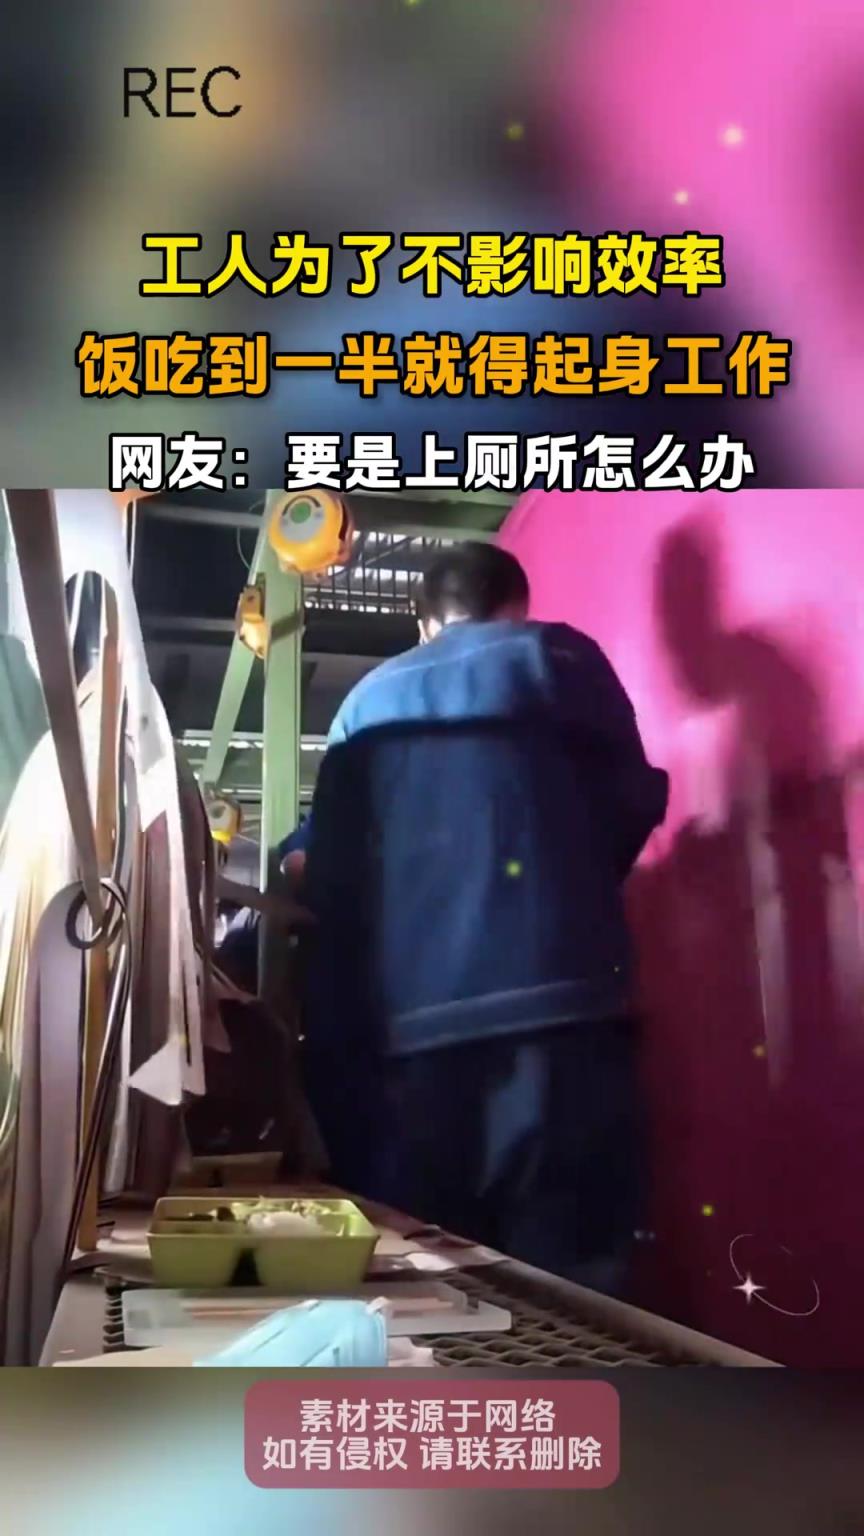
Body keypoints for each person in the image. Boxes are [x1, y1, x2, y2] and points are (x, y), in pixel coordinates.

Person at [301, 542, 668, 1294]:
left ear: (423, 622)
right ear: (515, 604)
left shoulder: (363, 705)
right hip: (562, 1013)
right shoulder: (559, 659)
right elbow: (630, 805)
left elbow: (332, 878)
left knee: (433, 1281)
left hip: (414, 1039)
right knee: (576, 1280)